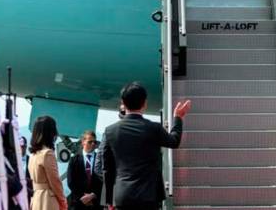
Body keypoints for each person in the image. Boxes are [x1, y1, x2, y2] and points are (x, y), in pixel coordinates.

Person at [102, 82, 191, 210]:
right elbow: (174, 141)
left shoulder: (110, 131)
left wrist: (108, 199)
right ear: (145, 103)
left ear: (123, 103)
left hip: (123, 196)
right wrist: (178, 118)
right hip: (149, 196)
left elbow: (107, 169)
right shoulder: (153, 128)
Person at [29, 115, 67, 210]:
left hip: (36, 198)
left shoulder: (33, 155)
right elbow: (55, 181)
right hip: (48, 201)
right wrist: (63, 201)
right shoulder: (48, 153)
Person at [67, 130, 102, 209]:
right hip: (78, 203)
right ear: (83, 142)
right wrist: (83, 197)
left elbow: (103, 180)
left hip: (95, 204)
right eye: (90, 142)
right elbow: (71, 182)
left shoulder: (100, 160)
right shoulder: (74, 160)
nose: (93, 144)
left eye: (94, 142)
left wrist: (93, 195)